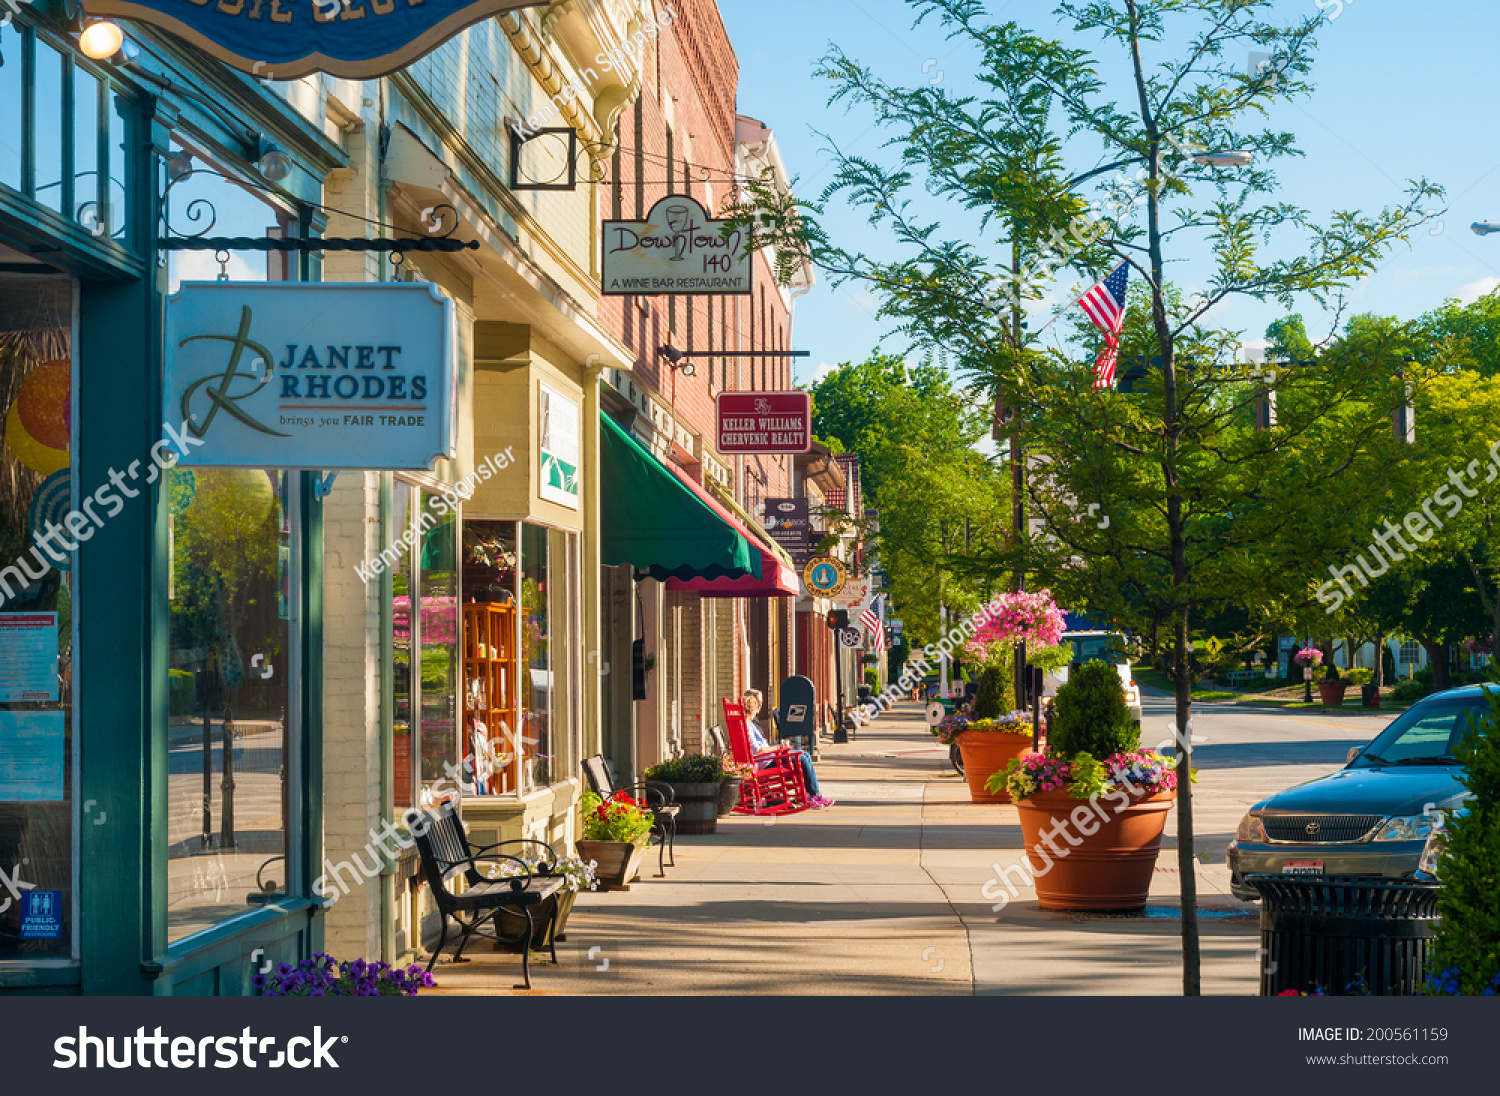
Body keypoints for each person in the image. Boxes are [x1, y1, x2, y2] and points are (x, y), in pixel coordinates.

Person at [742, 688, 834, 809]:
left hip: (766, 758)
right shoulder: (747, 726)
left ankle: (812, 794)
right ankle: (813, 795)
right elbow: (758, 750)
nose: (760, 706)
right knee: (803, 758)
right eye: (757, 703)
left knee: (804, 754)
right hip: (764, 762)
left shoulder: (749, 724)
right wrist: (779, 747)